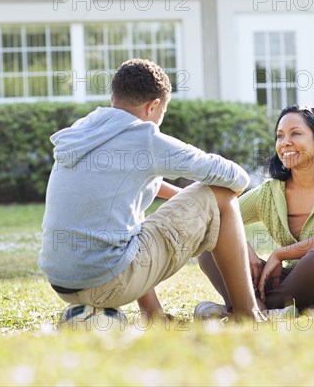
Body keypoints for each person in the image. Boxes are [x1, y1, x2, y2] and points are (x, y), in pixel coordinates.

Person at [39, 59, 264, 323]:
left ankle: (154, 315)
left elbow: (140, 183)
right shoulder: (144, 138)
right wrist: (222, 212)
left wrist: (187, 201)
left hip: (63, 282)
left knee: (133, 224)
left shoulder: (84, 130)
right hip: (110, 281)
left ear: (113, 97)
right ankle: (247, 315)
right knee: (222, 197)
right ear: (153, 106)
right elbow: (234, 177)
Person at [195, 105, 314, 317]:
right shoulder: (270, 192)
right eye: (280, 136)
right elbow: (217, 215)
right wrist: (243, 248)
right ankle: (259, 310)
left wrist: (280, 254)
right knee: (209, 249)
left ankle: (245, 309)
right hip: (292, 283)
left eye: (295, 133)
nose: (285, 142)